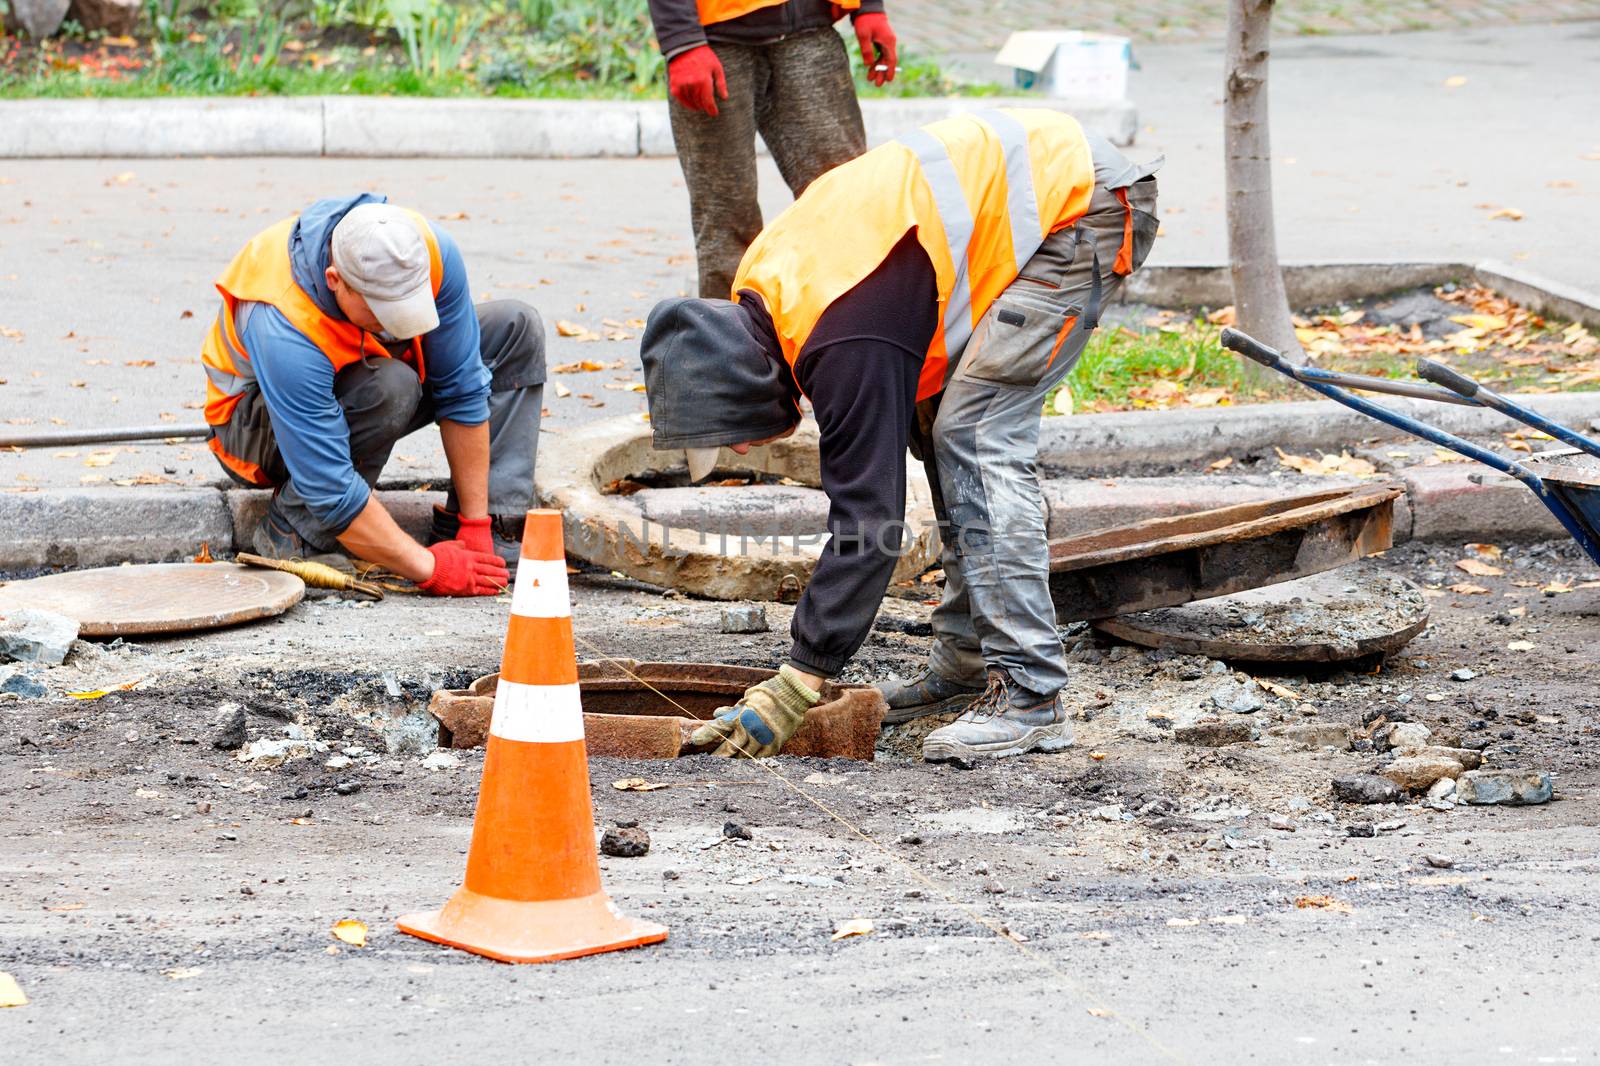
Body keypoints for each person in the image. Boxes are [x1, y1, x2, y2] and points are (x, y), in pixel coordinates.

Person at [640, 108, 1160, 763]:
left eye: (729, 434)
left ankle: (1032, 696)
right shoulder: (770, 289)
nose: (741, 449)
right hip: (1045, 192)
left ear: (738, 386)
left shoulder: (842, 332)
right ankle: (970, 665)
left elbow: (870, 525)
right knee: (937, 425)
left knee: (975, 436)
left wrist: (800, 678)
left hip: (1080, 206)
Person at [200, 195, 547, 596]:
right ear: (335, 281)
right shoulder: (281, 317)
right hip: (253, 429)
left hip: (358, 373)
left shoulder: (425, 249)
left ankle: (486, 526)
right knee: (391, 385)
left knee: (514, 328)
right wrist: (431, 568)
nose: (400, 325)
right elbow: (328, 486)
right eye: (385, 310)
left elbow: (462, 388)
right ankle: (293, 529)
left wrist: (475, 526)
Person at [648, 0, 899, 299]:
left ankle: (847, 338)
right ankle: (730, 340)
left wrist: (869, 8)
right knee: (726, 224)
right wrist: (683, 41)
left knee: (844, 207)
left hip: (811, 31)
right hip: (715, 41)